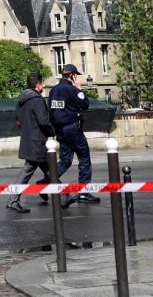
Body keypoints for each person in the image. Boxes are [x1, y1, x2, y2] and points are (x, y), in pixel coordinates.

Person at [49, 63, 100, 206]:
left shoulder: (53, 90)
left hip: (59, 129)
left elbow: (51, 111)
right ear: (72, 75)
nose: (77, 77)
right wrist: (79, 89)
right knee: (84, 157)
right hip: (72, 127)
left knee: (65, 159)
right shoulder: (71, 89)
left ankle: (48, 180)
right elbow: (85, 103)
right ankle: (83, 192)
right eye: (76, 74)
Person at [6, 72, 53, 213]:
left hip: (28, 139)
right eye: (42, 83)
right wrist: (53, 132)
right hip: (38, 141)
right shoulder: (37, 100)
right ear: (38, 85)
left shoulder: (21, 100)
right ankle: (13, 200)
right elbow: (44, 121)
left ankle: (63, 196)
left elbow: (18, 121)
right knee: (28, 171)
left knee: (51, 170)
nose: (43, 86)